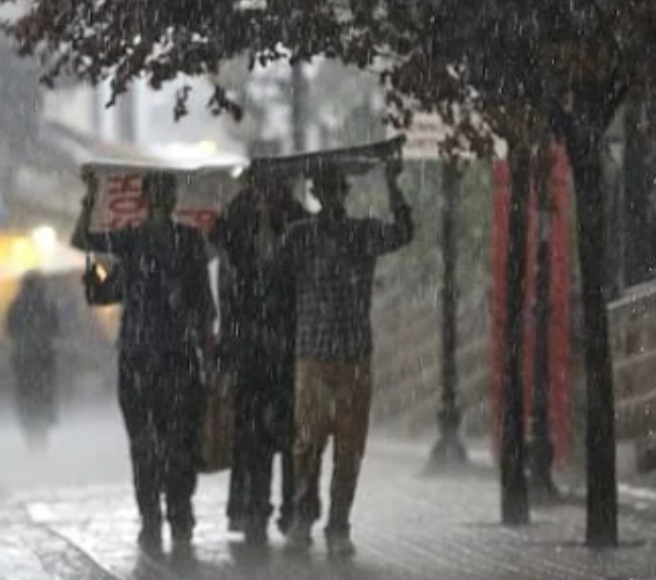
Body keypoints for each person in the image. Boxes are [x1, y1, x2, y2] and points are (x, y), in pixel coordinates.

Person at [72, 171, 215, 556]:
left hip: (180, 357)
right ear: (146, 198)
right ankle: (151, 516)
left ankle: (179, 513)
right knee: (144, 444)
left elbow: (203, 303)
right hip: (138, 357)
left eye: (167, 191)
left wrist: (209, 351)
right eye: (157, 191)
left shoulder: (189, 242)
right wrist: (90, 199)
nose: (163, 197)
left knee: (180, 442)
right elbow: (83, 240)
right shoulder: (131, 240)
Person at [279, 159, 414, 557]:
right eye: (324, 187)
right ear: (317, 193)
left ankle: (339, 524)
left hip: (353, 355)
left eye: (337, 187)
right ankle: (303, 518)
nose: (332, 194)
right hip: (313, 356)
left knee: (348, 449)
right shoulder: (299, 236)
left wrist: (393, 185)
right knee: (307, 444)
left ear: (343, 191)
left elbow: (404, 232)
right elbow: (272, 272)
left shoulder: (362, 233)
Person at [211, 170, 308, 546]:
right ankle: (254, 509)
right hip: (251, 348)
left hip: (284, 346)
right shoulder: (238, 219)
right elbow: (224, 265)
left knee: (287, 434)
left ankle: (289, 508)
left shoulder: (294, 218)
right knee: (252, 435)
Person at [5, 272, 60, 452]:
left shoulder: (15, 305)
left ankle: (30, 435)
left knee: (26, 398)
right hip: (44, 358)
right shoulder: (48, 304)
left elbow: (9, 330)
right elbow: (56, 329)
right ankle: (42, 434)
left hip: (23, 359)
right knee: (43, 397)